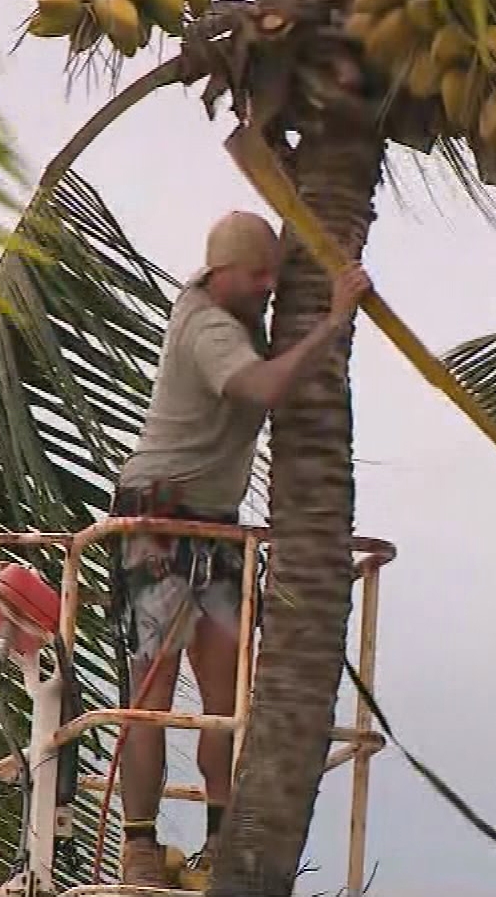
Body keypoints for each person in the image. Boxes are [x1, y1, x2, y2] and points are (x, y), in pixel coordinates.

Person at [107, 209, 372, 887]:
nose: (267, 288)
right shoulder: (210, 326)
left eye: (271, 277)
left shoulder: (242, 312)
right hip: (156, 528)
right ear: (220, 272)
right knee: (151, 697)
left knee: (225, 700)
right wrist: (334, 320)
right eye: (256, 277)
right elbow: (262, 386)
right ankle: (140, 846)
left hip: (215, 528)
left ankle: (220, 841)